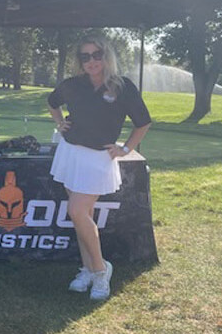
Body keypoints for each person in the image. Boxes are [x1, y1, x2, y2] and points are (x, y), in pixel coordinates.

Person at [47, 35, 151, 300]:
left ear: (106, 56)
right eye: (85, 56)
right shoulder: (72, 85)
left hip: (97, 157)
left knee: (77, 210)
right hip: (71, 153)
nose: (92, 61)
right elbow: (52, 102)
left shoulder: (122, 86)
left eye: (97, 55)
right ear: (79, 61)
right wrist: (60, 123)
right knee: (83, 216)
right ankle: (88, 270)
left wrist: (125, 148)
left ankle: (101, 269)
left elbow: (143, 122)